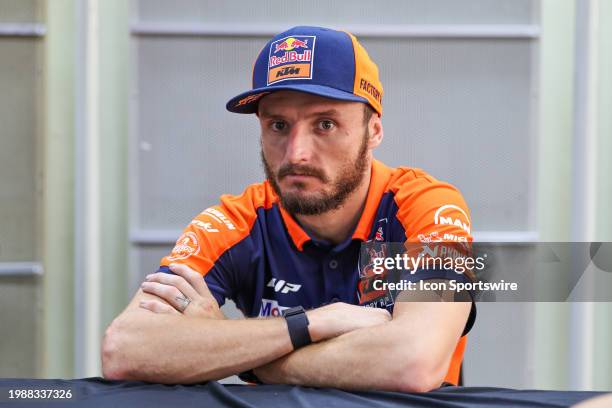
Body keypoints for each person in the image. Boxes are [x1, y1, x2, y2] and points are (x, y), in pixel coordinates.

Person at [101, 25, 476, 392]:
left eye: (325, 124)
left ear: (374, 130)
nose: (297, 153)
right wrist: (315, 323)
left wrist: (239, 352)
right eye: (278, 125)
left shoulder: (427, 206)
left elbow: (413, 362)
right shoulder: (237, 221)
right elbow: (126, 348)